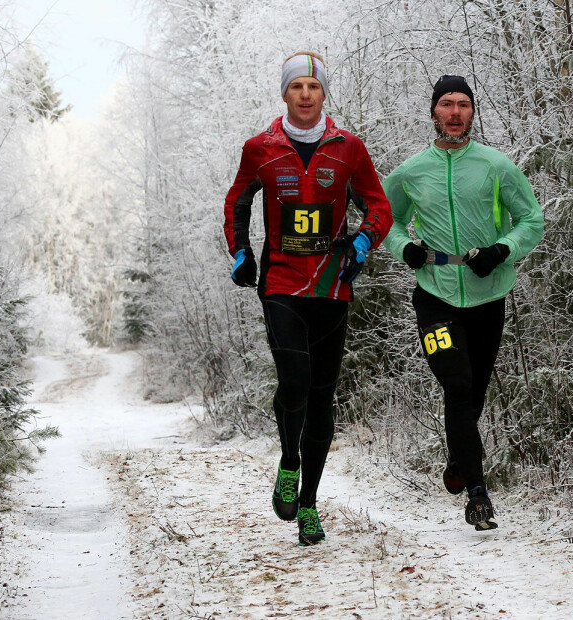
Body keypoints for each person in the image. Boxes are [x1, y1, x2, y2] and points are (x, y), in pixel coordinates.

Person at [222, 52, 391, 546]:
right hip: (280, 283)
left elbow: (378, 205)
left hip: (332, 284)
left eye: (313, 88)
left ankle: (311, 504)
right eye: (296, 86)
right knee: (295, 381)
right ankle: (289, 461)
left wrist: (363, 240)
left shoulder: (349, 148)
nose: (305, 95)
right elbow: (237, 201)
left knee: (321, 396)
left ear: (323, 95)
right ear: (284, 93)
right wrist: (240, 252)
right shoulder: (260, 148)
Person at [382, 75, 544, 530]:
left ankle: (459, 458)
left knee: (473, 393)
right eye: (447, 104)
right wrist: (404, 248)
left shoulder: (495, 166)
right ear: (433, 111)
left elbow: (531, 219)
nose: (455, 113)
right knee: (456, 382)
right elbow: (384, 220)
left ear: (473, 112)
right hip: (434, 294)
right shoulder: (411, 171)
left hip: (488, 294)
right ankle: (477, 495)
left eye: (463, 104)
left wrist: (502, 250)